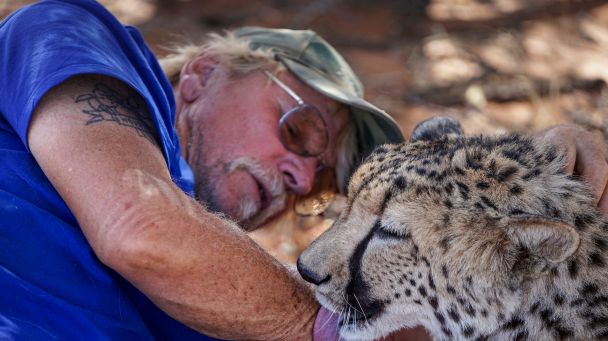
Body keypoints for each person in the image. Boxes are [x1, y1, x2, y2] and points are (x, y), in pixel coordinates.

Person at [1, 1, 607, 340]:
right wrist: (321, 326)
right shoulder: (72, 31)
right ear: (207, 72)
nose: (298, 178)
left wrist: (550, 174)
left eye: (321, 189)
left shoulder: (218, 297)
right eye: (301, 129)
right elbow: (142, 226)